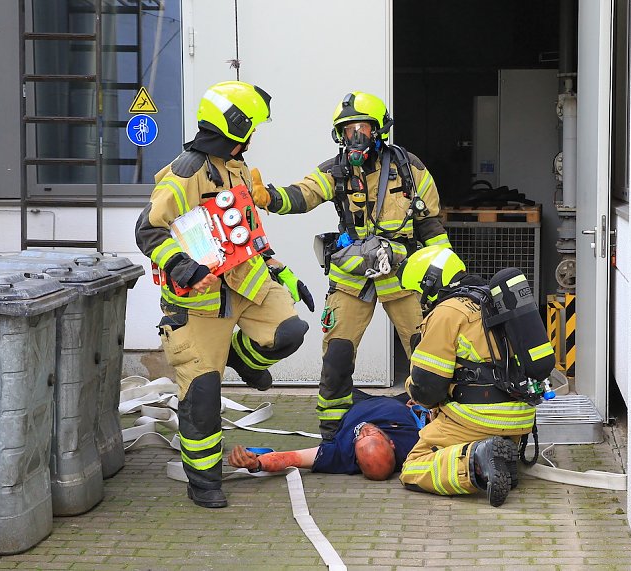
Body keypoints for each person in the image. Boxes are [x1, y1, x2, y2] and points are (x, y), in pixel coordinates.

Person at [135, 81, 310, 509]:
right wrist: (186, 268)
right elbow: (149, 229)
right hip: (199, 307)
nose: (253, 136)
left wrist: (282, 272)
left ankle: (242, 360)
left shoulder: (235, 167)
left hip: (246, 286)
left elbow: (246, 231)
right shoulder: (186, 172)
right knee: (202, 398)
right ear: (235, 127)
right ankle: (204, 480)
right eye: (250, 127)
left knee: (289, 332)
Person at [250, 91, 451, 439]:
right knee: (337, 354)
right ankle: (333, 429)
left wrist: (446, 275)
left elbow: (430, 225)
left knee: (425, 352)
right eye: (347, 129)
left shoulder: (409, 169)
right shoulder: (336, 171)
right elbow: (303, 194)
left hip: (401, 273)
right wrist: (269, 197)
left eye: (361, 127)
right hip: (352, 275)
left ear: (379, 130)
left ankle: (438, 423)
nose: (354, 135)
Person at [395, 245, 555, 507]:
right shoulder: (493, 302)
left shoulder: (448, 312)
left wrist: (412, 388)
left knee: (413, 467)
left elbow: (428, 389)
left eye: (418, 291)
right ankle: (502, 459)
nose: (419, 299)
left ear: (430, 282)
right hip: (519, 418)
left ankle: (477, 460)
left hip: (474, 419)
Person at [227, 391, 424, 480]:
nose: (365, 431)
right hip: (403, 400)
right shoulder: (413, 446)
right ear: (392, 444)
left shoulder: (340, 456)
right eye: (372, 434)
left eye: (361, 437)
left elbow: (292, 458)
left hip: (356, 402)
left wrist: (256, 464)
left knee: (335, 375)